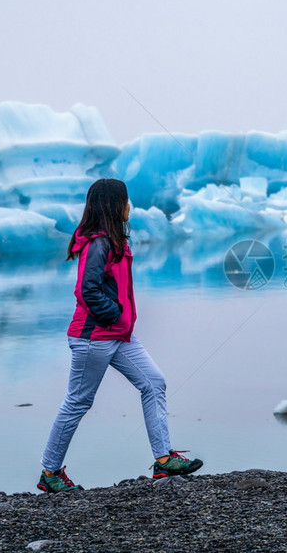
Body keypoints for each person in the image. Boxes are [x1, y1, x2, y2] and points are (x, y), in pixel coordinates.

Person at [37, 178, 202, 493]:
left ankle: (164, 461)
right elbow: (86, 289)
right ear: (115, 205)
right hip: (93, 337)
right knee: (78, 402)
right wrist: (113, 314)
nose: (131, 206)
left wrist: (120, 321)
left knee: (154, 382)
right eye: (127, 200)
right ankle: (50, 473)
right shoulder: (99, 243)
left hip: (118, 335)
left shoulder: (114, 241)